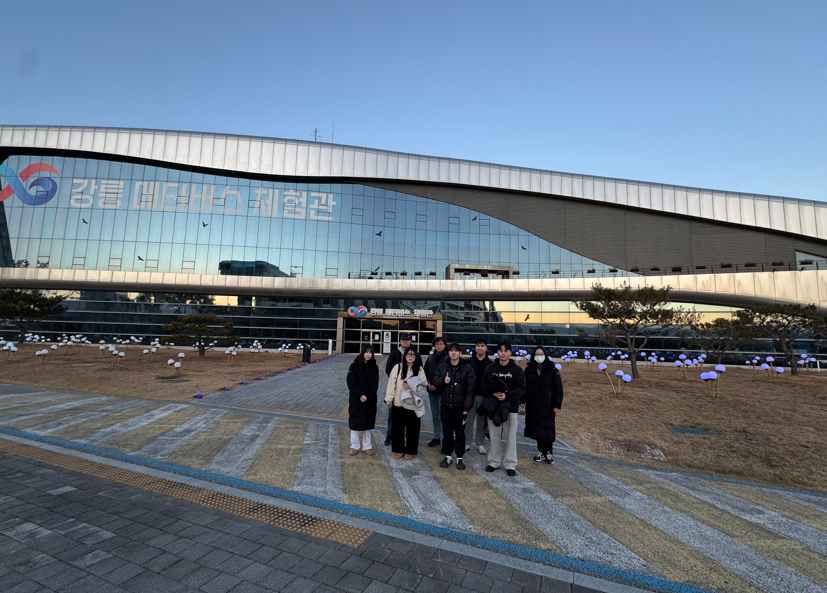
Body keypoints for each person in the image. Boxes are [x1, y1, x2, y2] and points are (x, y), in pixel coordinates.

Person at [481, 341, 525, 476]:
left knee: (511, 437)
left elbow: (521, 388)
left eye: (506, 350)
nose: (503, 353)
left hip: (511, 408)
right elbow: (483, 385)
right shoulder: (490, 368)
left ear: (510, 353)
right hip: (493, 408)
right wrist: (494, 394)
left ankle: (510, 464)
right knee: (494, 435)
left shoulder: (517, 370)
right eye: (501, 350)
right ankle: (494, 461)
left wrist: (507, 396)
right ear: (497, 352)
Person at [434, 343, 475, 470]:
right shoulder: (442, 367)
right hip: (446, 406)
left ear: (460, 353)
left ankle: (459, 457)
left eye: (456, 351)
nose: (453, 353)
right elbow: (435, 382)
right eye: (451, 351)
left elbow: (470, 390)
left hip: (460, 408)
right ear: (448, 353)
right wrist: (443, 381)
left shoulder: (467, 369)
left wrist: (466, 408)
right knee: (447, 432)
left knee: (460, 433)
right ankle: (448, 456)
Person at [385, 346, 427, 460]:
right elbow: (391, 384)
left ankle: (410, 450)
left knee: (413, 428)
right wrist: (389, 399)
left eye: (413, 355)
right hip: (398, 403)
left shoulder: (419, 369)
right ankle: (399, 449)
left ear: (416, 356)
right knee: (398, 428)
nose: (410, 357)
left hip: (413, 404)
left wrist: (410, 386)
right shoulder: (398, 367)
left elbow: (423, 386)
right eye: (408, 355)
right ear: (405, 356)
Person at [523, 347, 563, 464]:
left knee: (547, 428)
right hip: (533, 403)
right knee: (537, 428)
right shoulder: (529, 369)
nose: (539, 356)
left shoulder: (552, 369)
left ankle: (549, 452)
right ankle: (540, 451)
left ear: (545, 355)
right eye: (537, 354)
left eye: (541, 354)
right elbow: (524, 386)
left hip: (547, 404)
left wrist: (557, 404)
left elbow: (558, 388)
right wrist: (522, 401)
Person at [383, 332, 423, 446]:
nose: (405, 341)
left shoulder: (416, 354)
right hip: (397, 389)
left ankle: (408, 436)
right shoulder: (394, 353)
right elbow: (388, 369)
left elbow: (420, 371)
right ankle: (390, 435)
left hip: (411, 391)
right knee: (392, 414)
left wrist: (412, 384)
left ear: (410, 341)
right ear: (400, 341)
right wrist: (395, 384)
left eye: (407, 340)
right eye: (403, 339)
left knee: (410, 414)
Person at [346, 344, 379, 456]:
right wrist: (360, 395)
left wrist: (369, 397)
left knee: (367, 424)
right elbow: (351, 382)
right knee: (355, 423)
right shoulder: (354, 366)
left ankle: (367, 446)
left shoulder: (374, 367)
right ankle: (354, 446)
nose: (368, 355)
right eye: (366, 352)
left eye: (370, 352)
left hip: (370, 400)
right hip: (356, 399)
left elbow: (375, 384)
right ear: (362, 353)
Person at [465, 337, 493, 454]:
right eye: (478, 346)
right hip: (470, 395)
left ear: (486, 348)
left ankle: (480, 443)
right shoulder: (468, 362)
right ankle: (467, 442)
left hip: (484, 396)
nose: (480, 348)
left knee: (481, 422)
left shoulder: (490, 364)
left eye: (482, 346)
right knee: (468, 421)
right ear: (475, 347)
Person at [423, 336, 449, 449]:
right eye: (437, 344)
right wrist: (428, 384)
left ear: (445, 345)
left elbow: (448, 375)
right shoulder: (430, 357)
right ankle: (436, 437)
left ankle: (445, 438)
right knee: (435, 415)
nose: (439, 346)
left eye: (441, 344)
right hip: (432, 391)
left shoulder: (448, 358)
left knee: (443, 416)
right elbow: (425, 372)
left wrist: (437, 385)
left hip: (443, 391)